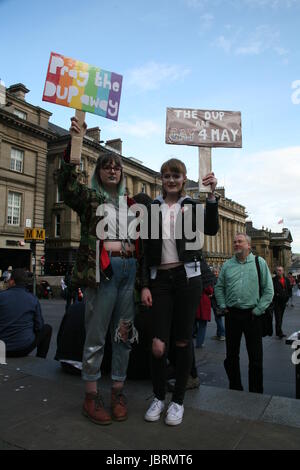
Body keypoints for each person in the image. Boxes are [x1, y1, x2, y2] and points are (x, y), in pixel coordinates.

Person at [57, 116, 139, 425]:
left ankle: (118, 390)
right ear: (98, 170)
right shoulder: (89, 197)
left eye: (117, 166)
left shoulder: (131, 204)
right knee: (95, 335)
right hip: (102, 273)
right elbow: (65, 186)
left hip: (129, 274)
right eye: (107, 165)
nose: (112, 169)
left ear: (122, 172)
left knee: (124, 335)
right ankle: (91, 397)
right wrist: (73, 145)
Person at [140, 158, 219, 426]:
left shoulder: (190, 206)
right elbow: (145, 251)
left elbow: (211, 228)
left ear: (184, 179)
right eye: (166, 176)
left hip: (188, 278)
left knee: (183, 342)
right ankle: (159, 397)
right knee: (158, 345)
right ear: (161, 180)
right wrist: (144, 285)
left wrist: (211, 197)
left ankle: (178, 402)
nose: (171, 180)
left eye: (176, 175)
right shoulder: (152, 207)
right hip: (160, 279)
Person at [214, 233, 274, 394]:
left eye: (240, 242)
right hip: (232, 315)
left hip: (252, 315)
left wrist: (258, 310)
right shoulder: (227, 265)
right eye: (234, 242)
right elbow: (219, 287)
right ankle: (235, 387)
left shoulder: (258, 262)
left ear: (249, 245)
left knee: (255, 358)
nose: (236, 244)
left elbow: (269, 290)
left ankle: (256, 391)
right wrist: (222, 305)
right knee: (231, 356)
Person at [0, 268, 52, 358]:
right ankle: (40, 358)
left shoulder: (2, 296)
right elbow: (39, 326)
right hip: (23, 348)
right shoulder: (33, 299)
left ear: (12, 282)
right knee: (47, 328)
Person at [273, 266, 291, 339]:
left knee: (281, 317)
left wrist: (288, 296)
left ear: (283, 271)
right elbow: (272, 290)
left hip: (283, 301)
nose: (279, 272)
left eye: (280, 270)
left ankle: (279, 331)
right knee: (278, 317)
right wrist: (276, 295)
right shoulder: (273, 280)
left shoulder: (286, 280)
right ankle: (279, 332)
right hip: (276, 302)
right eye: (277, 270)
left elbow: (289, 289)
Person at [210, 268, 226, 341]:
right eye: (214, 272)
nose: (216, 273)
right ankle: (219, 334)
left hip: (217, 302)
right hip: (216, 302)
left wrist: (212, 295)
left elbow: (217, 291)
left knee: (218, 319)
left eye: (217, 272)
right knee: (217, 318)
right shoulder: (216, 279)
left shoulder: (217, 280)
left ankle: (222, 334)